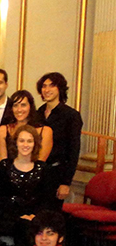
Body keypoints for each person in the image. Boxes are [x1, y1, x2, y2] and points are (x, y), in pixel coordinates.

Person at [0, 125, 52, 246]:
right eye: (21, 140)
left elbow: (47, 198)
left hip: (37, 217)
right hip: (9, 217)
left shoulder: (43, 169)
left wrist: (34, 216)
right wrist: (19, 217)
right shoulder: (4, 167)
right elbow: (0, 198)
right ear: (15, 143)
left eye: (29, 141)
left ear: (35, 144)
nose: (25, 145)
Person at [37, 72, 83, 205]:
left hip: (57, 172)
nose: (47, 90)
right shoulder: (37, 113)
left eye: (52, 86)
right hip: (37, 172)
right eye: (44, 86)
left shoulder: (71, 115)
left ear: (60, 89)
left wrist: (66, 183)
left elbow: (74, 150)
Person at [0, 90, 53, 163]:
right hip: (8, 172)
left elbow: (41, 162)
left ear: (30, 107)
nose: (19, 110)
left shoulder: (45, 131)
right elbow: (2, 160)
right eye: (15, 105)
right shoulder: (3, 130)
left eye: (23, 105)